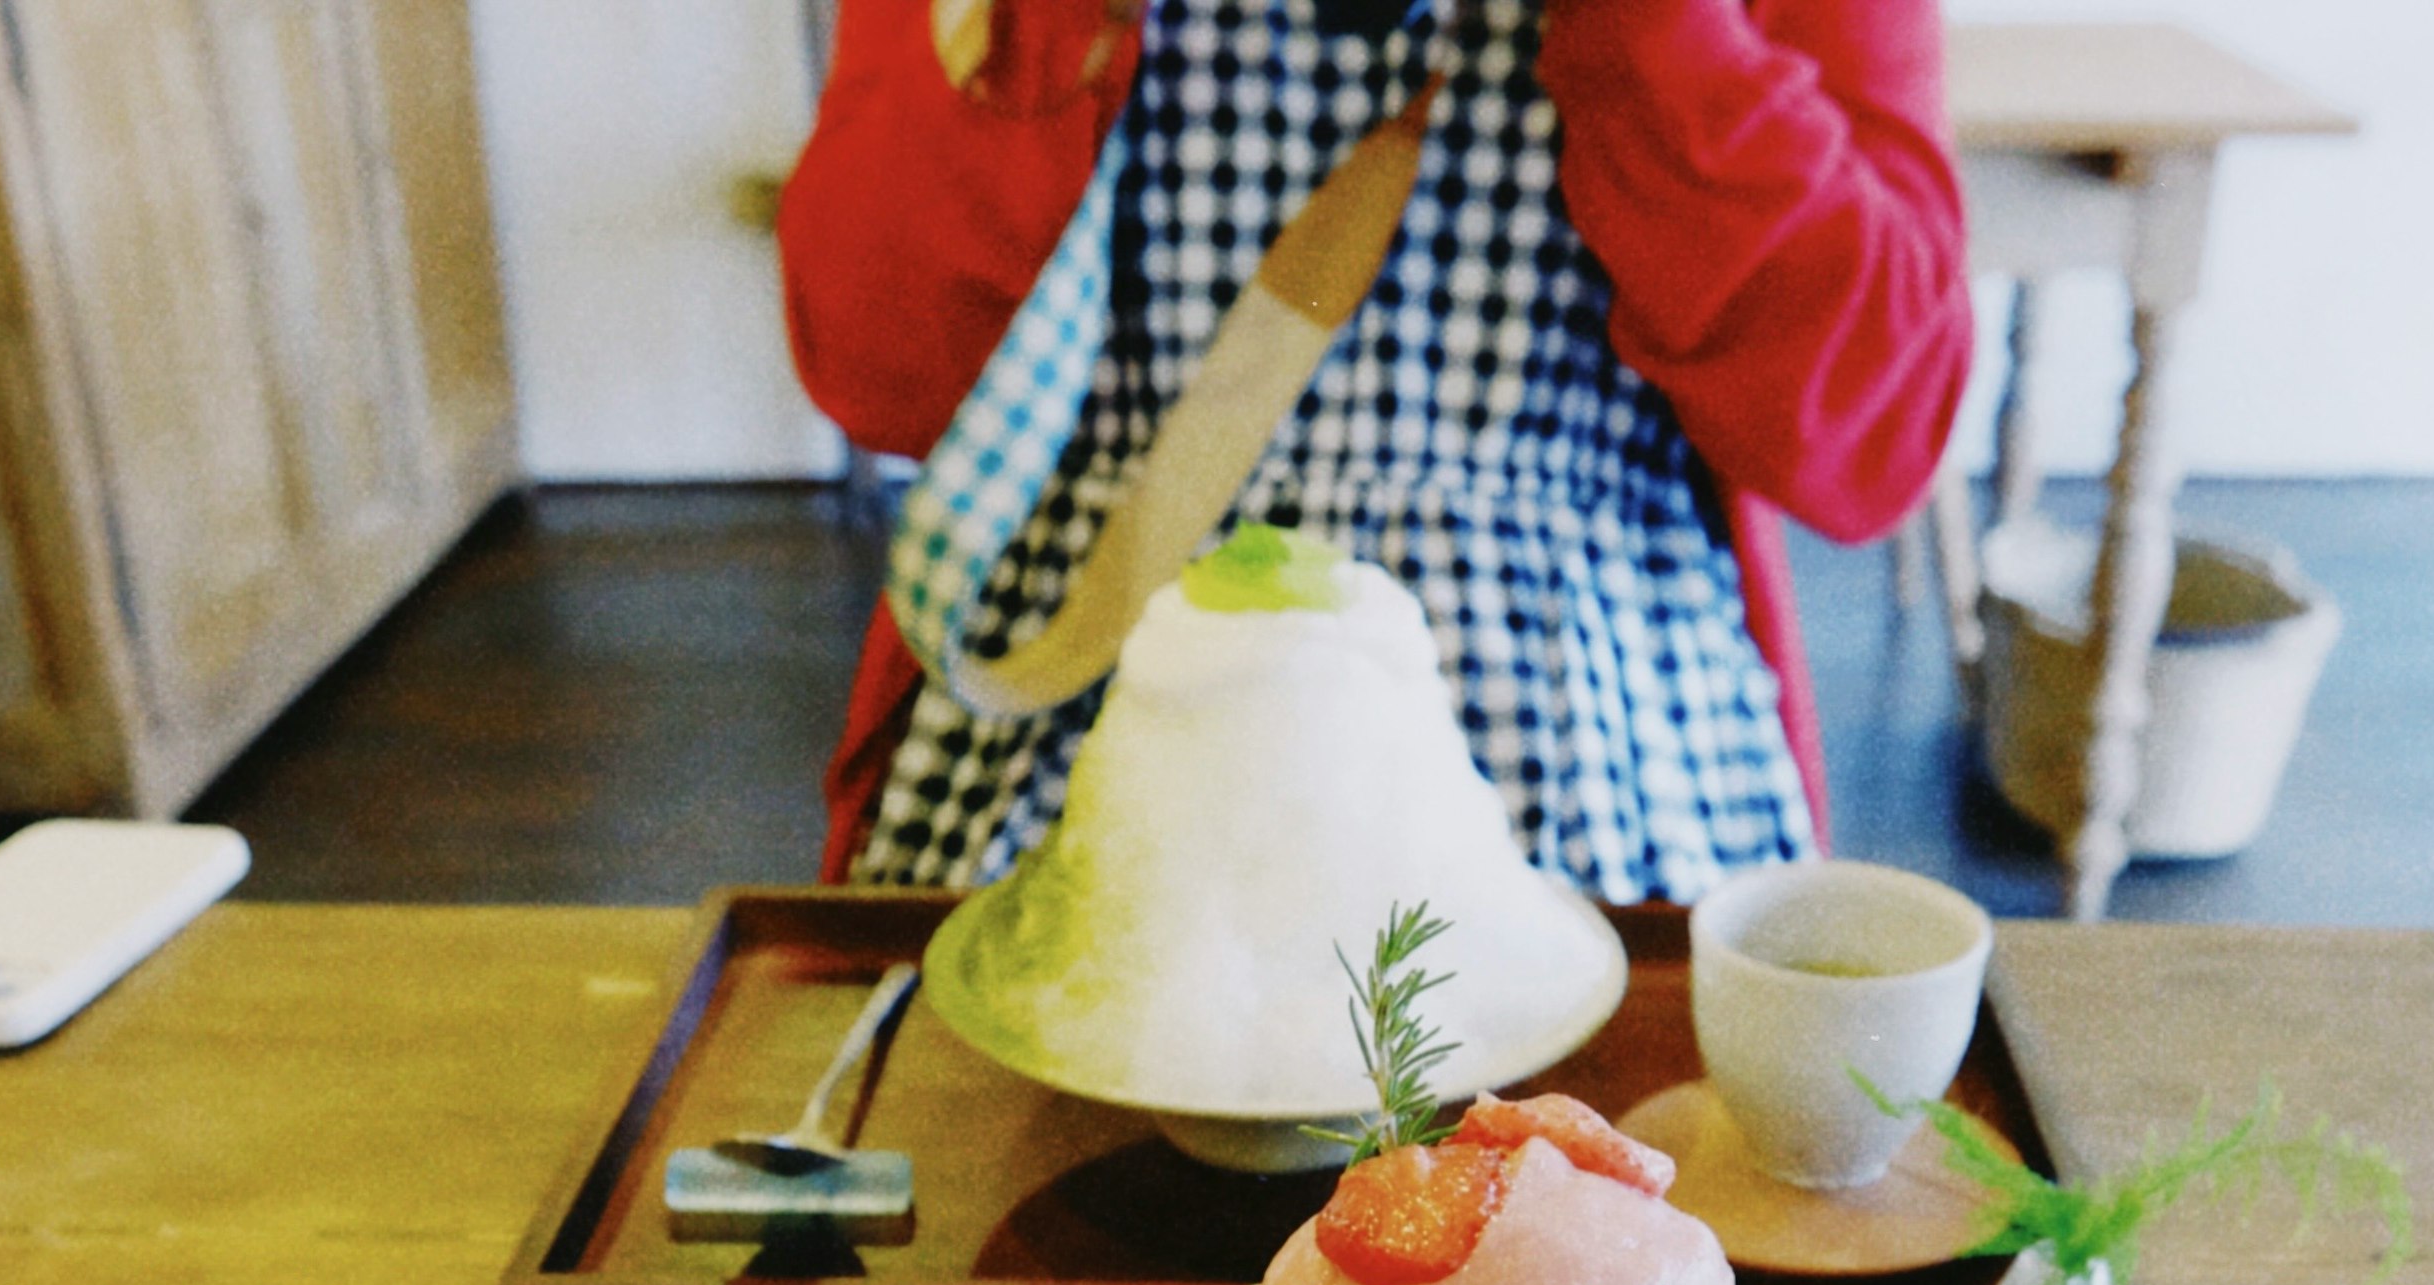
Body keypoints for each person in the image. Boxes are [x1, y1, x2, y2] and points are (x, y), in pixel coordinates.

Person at [780, 0, 1973, 904]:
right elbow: (876, 367)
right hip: (1091, 674)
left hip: (1594, 731)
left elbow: (1877, 426)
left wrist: (1662, 32)